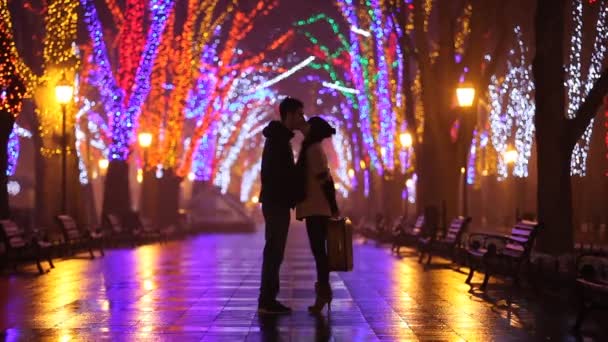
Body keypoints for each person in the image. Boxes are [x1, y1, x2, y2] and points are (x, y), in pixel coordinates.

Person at [258, 97, 306, 314]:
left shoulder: (279, 138)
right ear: (289, 115)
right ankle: (267, 300)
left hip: (275, 201)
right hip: (276, 202)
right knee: (274, 251)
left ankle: (268, 299)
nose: (301, 118)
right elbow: (276, 174)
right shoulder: (278, 141)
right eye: (299, 114)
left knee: (275, 251)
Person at [295, 116, 339, 314]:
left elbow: (324, 181)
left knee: (319, 252)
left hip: (318, 208)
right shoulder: (314, 149)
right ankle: (323, 291)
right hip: (317, 207)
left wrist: (333, 206)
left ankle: (323, 292)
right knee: (319, 252)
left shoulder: (313, 150)